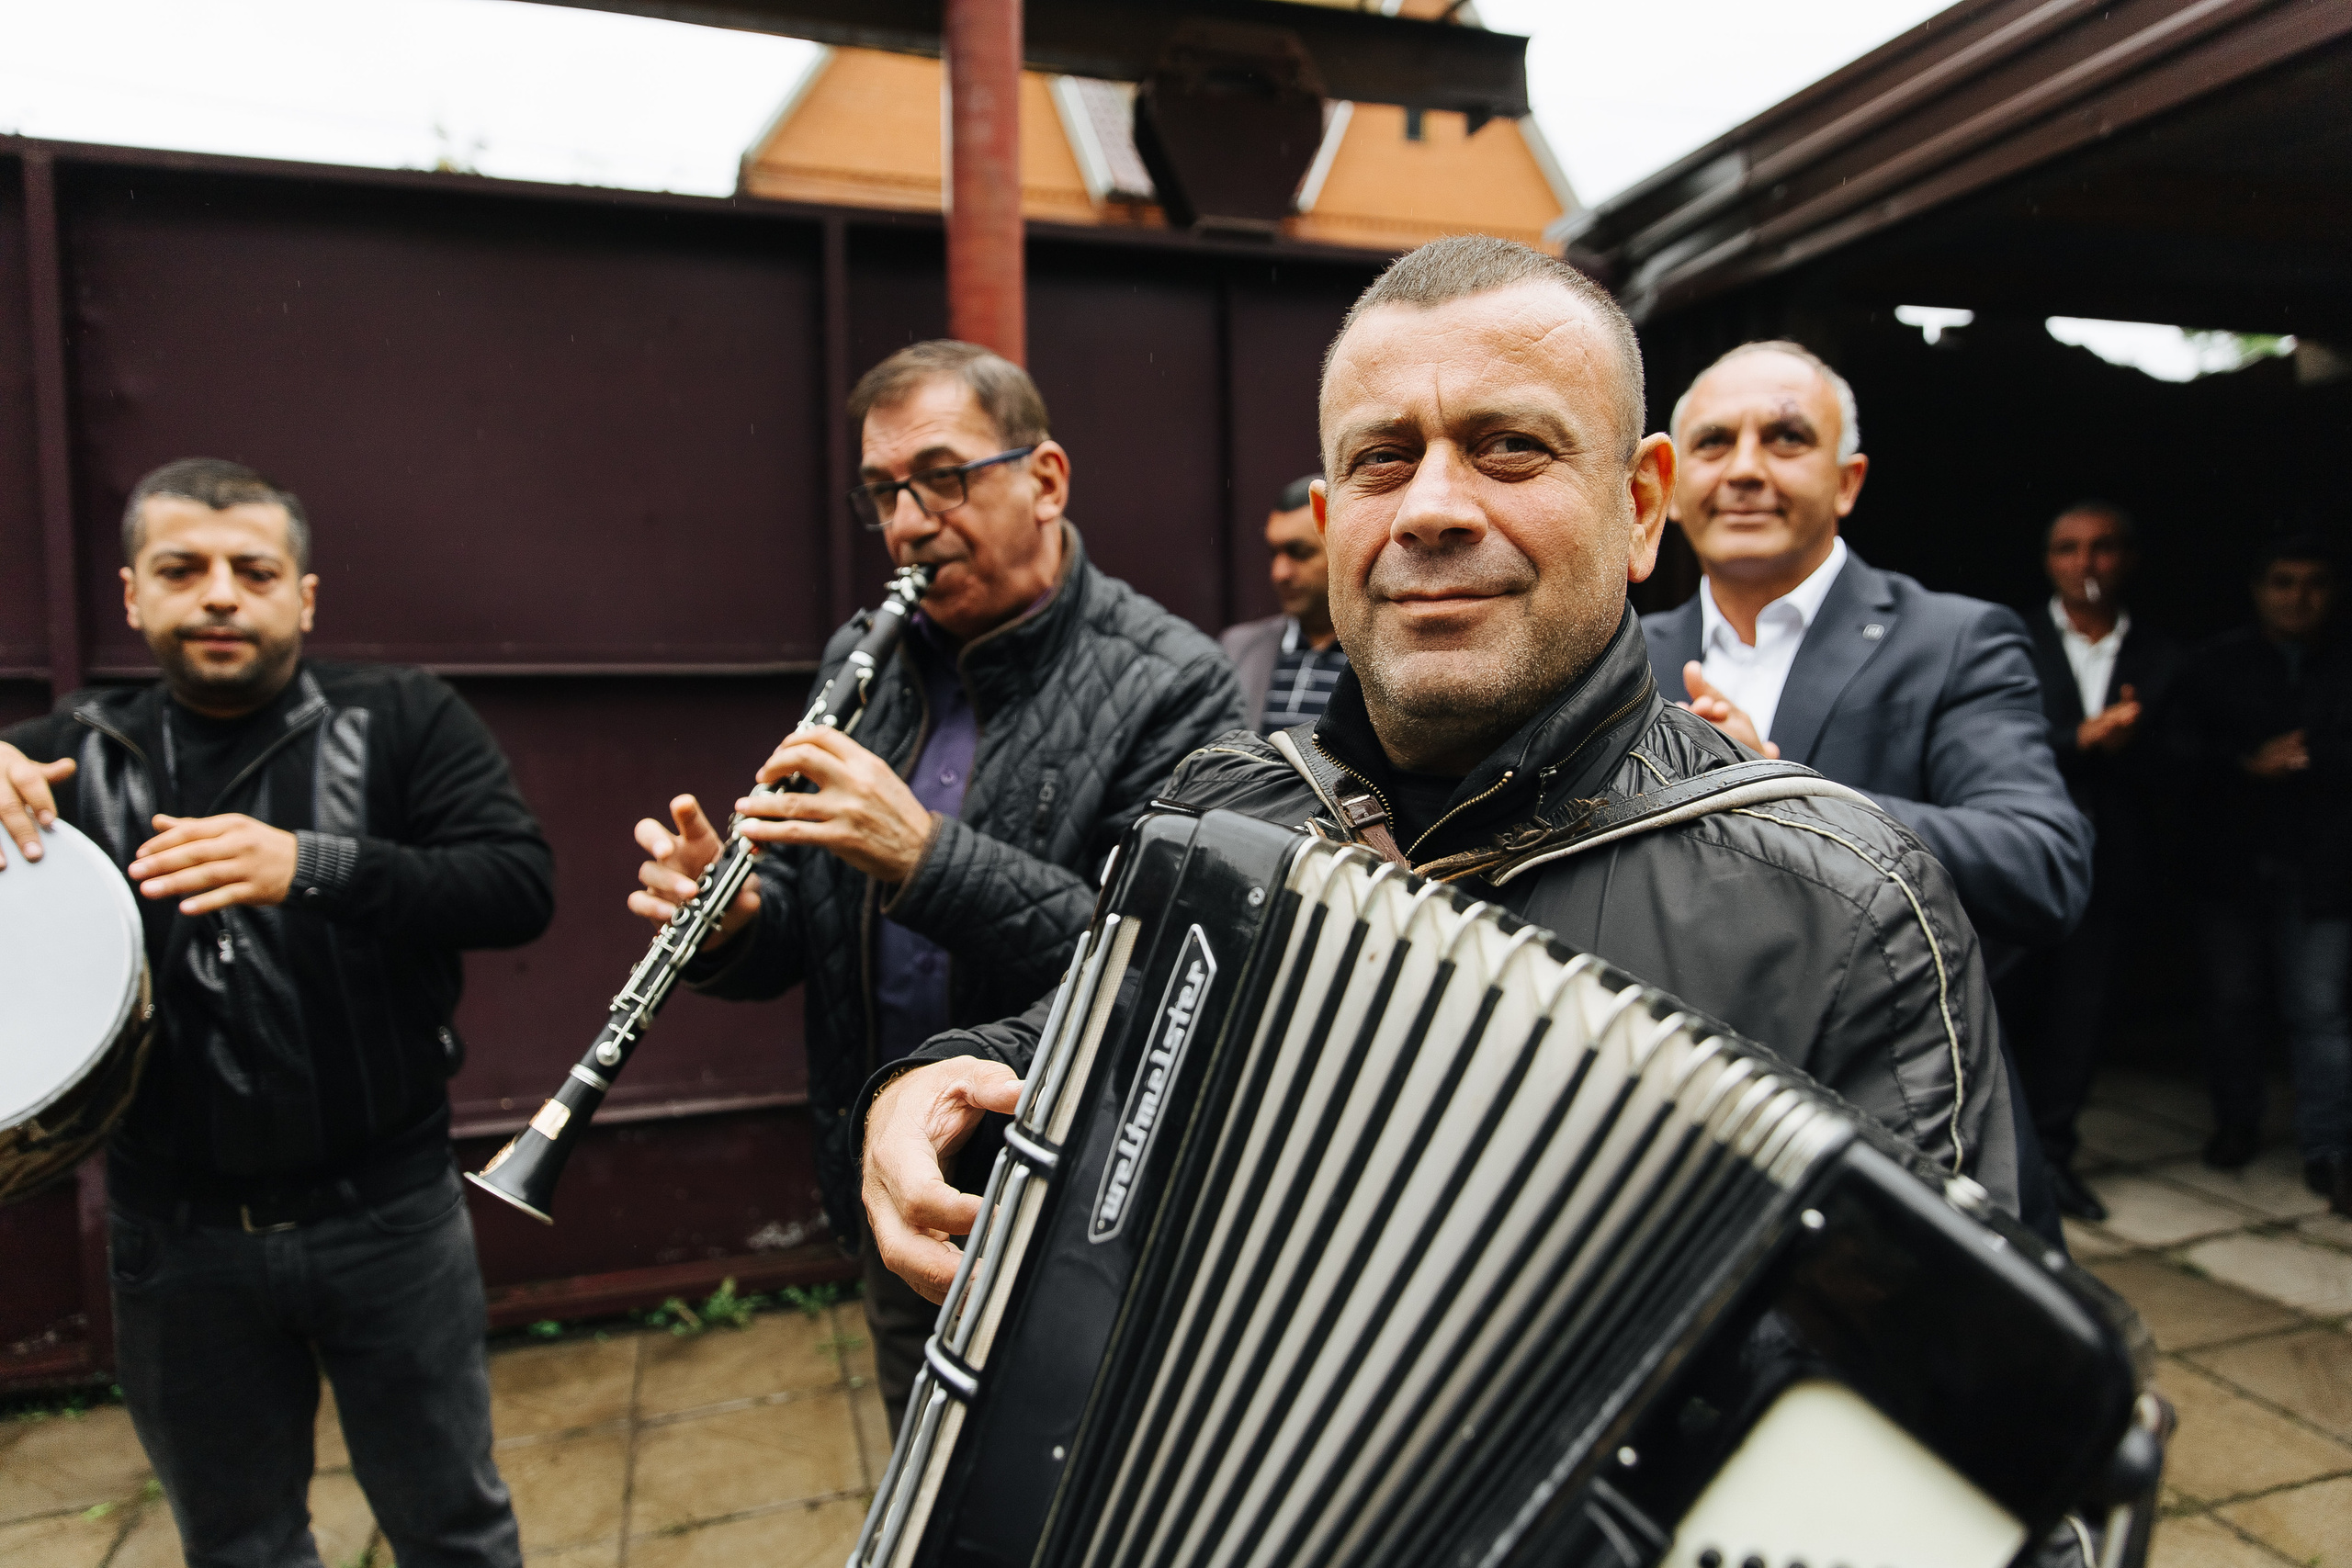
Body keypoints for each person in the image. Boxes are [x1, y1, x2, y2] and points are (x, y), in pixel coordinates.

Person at [855, 235, 2022, 1312]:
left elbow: (1965, 1414)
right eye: (1381, 460)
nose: (1430, 509)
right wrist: (948, 1078)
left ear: (1642, 506)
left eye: (1509, 447)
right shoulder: (1220, 812)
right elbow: (1102, 1027)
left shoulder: (1845, 910)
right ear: (1329, 518)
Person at [628, 340, 1243, 1426]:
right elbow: (826, 932)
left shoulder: (1177, 682)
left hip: (1077, 1211)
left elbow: (1155, 956)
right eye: (884, 494)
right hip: (902, 1189)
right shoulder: (858, 660)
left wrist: (924, 854)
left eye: (944, 478)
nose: (908, 524)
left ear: (1044, 480)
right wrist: (733, 927)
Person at [0, 459, 552, 1568]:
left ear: (302, 597)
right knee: (239, 1544)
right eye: (182, 569)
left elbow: (516, 884)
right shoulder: (69, 751)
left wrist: (316, 863)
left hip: (390, 1215)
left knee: (454, 1530)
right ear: (130, 595)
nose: (217, 594)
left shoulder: (403, 717)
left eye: (252, 571)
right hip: (174, 1239)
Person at [1641, 341, 2093, 1244]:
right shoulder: (1618, 656)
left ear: (1846, 481)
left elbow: (2042, 866)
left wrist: (1780, 793)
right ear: (1668, 480)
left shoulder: (1953, 641)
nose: (1744, 470)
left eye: (1785, 438)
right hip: (1669, 1147)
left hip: (1899, 1152)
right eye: (1715, 442)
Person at [2008, 502, 2182, 1220]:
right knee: (2009, 1008)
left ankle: (2053, 1157)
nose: (2087, 565)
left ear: (2128, 559)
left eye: (2104, 549)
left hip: (2115, 861)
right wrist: (2080, 739)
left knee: (2081, 1016)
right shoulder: (2012, 639)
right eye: (2070, 550)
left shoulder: (2163, 654)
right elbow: (1996, 741)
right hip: (2023, 858)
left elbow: (2192, 760)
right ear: (2050, 561)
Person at [2169, 536, 2352, 1213]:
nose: (2298, 597)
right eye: (2283, 581)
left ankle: (2330, 1150)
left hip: (2325, 868)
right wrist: (2247, 764)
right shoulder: (2218, 662)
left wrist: (2315, 758)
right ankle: (2236, 1123)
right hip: (2235, 865)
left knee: (2321, 1010)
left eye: (2314, 582)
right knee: (2232, 1003)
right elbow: (2179, 751)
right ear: (2258, 589)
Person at [1219, 474, 1350, 732]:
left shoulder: (1382, 652)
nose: (1279, 573)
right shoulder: (1238, 648)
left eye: (1300, 553)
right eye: (1273, 553)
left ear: (1345, 548)